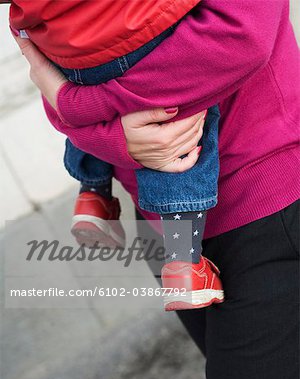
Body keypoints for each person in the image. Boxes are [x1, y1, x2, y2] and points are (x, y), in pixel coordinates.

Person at [11, 1, 299, 379]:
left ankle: (93, 193)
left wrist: (77, 102)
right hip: (159, 224)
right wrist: (104, 130)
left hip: (265, 200)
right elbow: (48, 64)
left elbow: (242, 35)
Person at [8, 0, 224, 311]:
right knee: (176, 124)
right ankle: (183, 263)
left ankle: (93, 196)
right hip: (138, 22)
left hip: (63, 38)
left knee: (83, 85)